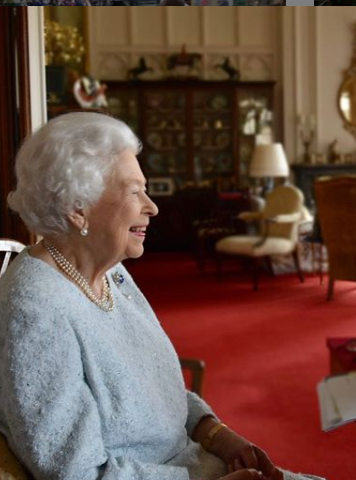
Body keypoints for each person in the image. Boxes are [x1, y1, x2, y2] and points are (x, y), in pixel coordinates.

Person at [0, 113, 323, 480]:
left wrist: (216, 434)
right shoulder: (35, 306)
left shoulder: (111, 273)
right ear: (78, 207)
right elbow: (78, 474)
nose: (151, 207)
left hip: (197, 461)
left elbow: (157, 393)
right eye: (134, 192)